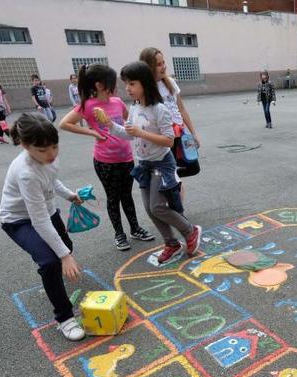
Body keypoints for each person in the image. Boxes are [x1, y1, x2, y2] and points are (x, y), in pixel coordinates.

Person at [95, 61, 202, 265]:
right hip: (144, 164)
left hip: (162, 163)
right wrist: (110, 125)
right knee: (149, 208)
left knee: (158, 207)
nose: (127, 88)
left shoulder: (159, 109)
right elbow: (129, 135)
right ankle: (171, 243)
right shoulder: (134, 108)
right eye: (126, 83)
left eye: (132, 83)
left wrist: (141, 132)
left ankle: (190, 231)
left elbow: (169, 140)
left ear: (144, 83)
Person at [0, 113, 86, 341]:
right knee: (50, 261)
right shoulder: (26, 173)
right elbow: (39, 222)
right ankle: (65, 318)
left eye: (55, 147)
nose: (51, 154)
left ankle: (60, 269)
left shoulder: (49, 158)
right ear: (26, 146)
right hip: (18, 220)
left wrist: (69, 196)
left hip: (46, 210)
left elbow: (51, 178)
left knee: (65, 245)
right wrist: (65, 257)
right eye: (43, 150)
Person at [58, 64, 153, 251]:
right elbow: (64, 123)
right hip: (105, 161)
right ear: (100, 85)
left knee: (127, 195)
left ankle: (135, 228)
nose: (117, 87)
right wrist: (92, 133)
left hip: (126, 157)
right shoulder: (88, 105)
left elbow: (129, 121)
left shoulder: (117, 102)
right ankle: (119, 233)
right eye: (112, 83)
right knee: (113, 197)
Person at [139, 47, 202, 178]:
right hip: (165, 136)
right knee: (170, 172)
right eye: (158, 64)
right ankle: (166, 178)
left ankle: (165, 176)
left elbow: (182, 109)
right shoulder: (145, 90)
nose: (163, 67)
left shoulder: (170, 82)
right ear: (149, 68)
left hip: (181, 133)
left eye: (163, 63)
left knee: (194, 168)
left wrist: (193, 133)